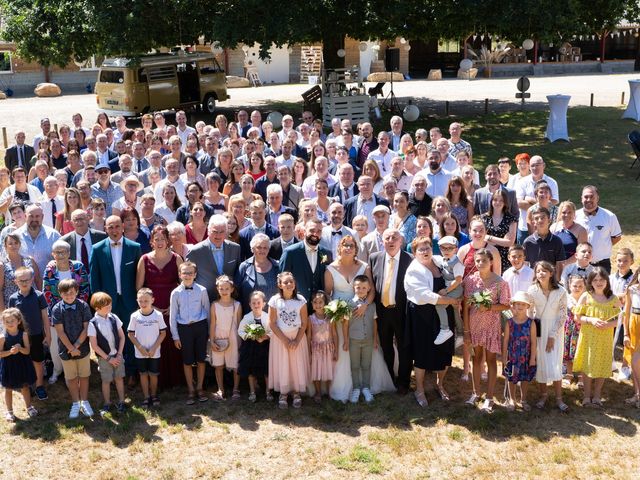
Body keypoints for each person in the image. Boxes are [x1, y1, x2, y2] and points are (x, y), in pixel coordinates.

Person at [404, 237, 462, 407]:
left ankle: (440, 384)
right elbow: (425, 296)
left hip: (443, 314)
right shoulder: (414, 270)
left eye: (427, 247)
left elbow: (455, 273)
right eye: (420, 249)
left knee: (444, 351)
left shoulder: (438, 261)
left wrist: (455, 292)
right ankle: (420, 390)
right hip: (423, 315)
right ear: (414, 253)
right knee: (423, 352)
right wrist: (451, 301)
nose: (425, 251)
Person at [90, 215, 142, 377]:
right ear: (105, 228)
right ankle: (111, 372)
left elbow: (140, 276)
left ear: (123, 227)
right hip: (107, 303)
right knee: (110, 337)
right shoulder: (97, 249)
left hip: (129, 301)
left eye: (117, 226)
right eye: (110, 227)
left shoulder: (135, 247)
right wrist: (98, 304)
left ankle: (132, 372)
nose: (114, 230)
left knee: (130, 335)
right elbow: (94, 278)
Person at [462, 248, 510, 412]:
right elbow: (466, 307)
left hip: (491, 327)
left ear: (491, 262)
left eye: (483, 260)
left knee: (490, 360)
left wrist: (488, 306)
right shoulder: (470, 281)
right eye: (477, 261)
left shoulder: (500, 282)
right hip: (474, 326)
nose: (480, 263)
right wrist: (466, 331)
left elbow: (505, 304)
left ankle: (489, 397)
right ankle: (476, 393)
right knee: (476, 360)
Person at [135, 225, 183, 388]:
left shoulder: (177, 258)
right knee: (154, 340)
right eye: (157, 239)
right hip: (151, 308)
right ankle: (157, 381)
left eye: (163, 239)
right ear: (151, 242)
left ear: (168, 240)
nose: (160, 242)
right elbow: (139, 287)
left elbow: (184, 286)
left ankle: (175, 379)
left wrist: (174, 306)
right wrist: (150, 306)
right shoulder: (144, 259)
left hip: (172, 306)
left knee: (171, 339)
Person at [369, 229, 415, 394]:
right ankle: (389, 378)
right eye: (387, 238)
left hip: (401, 311)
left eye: (394, 238)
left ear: (401, 241)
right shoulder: (374, 258)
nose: (390, 241)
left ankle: (403, 382)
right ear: (382, 241)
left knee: (404, 347)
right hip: (382, 312)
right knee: (385, 346)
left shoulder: (410, 260)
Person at [573, 268, 621, 407]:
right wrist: (591, 320)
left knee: (602, 364)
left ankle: (597, 395)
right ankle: (587, 396)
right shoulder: (586, 296)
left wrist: (609, 324)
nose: (599, 282)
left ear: (607, 280)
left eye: (601, 279)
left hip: (605, 338)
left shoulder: (613, 298)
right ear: (590, 282)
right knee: (588, 364)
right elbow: (577, 317)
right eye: (595, 280)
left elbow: (621, 318)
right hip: (589, 337)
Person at [527, 261, 569, 412]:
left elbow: (563, 315)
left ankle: (559, 399)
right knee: (542, 365)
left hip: (555, 330)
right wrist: (531, 331)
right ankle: (543, 396)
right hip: (538, 330)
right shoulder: (532, 290)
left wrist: (552, 335)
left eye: (545, 271)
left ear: (551, 273)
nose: (541, 274)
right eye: (538, 271)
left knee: (555, 364)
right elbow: (529, 313)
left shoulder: (561, 291)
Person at [169, 261, 211, 404]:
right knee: (187, 361)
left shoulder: (202, 290)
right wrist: (175, 336)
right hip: (184, 329)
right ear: (180, 275)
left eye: (190, 273)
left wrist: (209, 332)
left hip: (200, 327)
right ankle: (191, 390)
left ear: (195, 274)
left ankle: (200, 388)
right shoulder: (175, 293)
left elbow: (207, 310)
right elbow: (173, 316)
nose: (187, 275)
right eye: (184, 273)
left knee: (201, 359)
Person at [51, 279, 93, 419]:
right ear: (60, 293)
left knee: (84, 375)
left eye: (71, 293)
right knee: (71, 377)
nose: (69, 296)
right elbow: (60, 332)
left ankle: (85, 401)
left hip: (83, 348)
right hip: (66, 349)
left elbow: (86, 328)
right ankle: (75, 403)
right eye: (65, 293)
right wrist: (71, 348)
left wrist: (76, 346)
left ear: (76, 292)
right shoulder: (57, 309)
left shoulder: (84, 306)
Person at [267, 272, 310, 409]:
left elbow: (304, 322)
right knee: (283, 364)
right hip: (280, 340)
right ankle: (283, 393)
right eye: (286, 282)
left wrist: (297, 340)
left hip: (297, 338)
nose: (289, 284)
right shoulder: (274, 301)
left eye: (291, 281)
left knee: (296, 365)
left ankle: (296, 392)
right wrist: (285, 340)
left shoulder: (301, 300)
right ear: (280, 285)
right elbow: (272, 323)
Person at [7, 267, 49, 401]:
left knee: (38, 361)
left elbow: (45, 317)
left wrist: (48, 335)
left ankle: (40, 386)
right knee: (24, 361)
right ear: (15, 281)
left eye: (27, 280)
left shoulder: (39, 296)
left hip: (36, 335)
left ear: (32, 280)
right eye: (21, 280)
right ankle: (27, 385)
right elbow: (11, 319)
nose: (24, 283)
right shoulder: (13, 299)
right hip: (21, 336)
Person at [186, 215, 242, 302]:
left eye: (222, 232)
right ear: (208, 231)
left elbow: (238, 275)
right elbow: (187, 276)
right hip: (203, 300)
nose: (218, 235)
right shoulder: (195, 251)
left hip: (229, 301)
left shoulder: (235, 248)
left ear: (226, 232)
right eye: (215, 232)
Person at [88, 292, 127, 415]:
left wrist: (119, 354)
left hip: (117, 356)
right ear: (97, 308)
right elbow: (94, 345)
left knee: (119, 378)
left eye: (110, 305)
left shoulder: (114, 318)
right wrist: (108, 358)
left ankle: (121, 401)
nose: (110, 308)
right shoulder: (92, 323)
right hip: (105, 359)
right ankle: (107, 403)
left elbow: (122, 337)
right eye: (107, 306)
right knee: (106, 380)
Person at [128, 288, 167, 408]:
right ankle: (146, 396)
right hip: (140, 352)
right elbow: (130, 334)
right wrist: (140, 348)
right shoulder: (134, 316)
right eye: (140, 301)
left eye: (146, 301)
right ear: (137, 301)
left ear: (152, 300)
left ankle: (154, 395)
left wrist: (154, 347)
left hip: (154, 352)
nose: (143, 304)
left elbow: (163, 333)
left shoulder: (158, 315)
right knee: (143, 374)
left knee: (153, 374)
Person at [279, 219, 331, 303]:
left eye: (319, 231)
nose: (315, 234)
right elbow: (282, 278)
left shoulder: (326, 253)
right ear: (304, 231)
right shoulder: (290, 252)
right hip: (296, 303)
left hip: (319, 307)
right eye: (312, 230)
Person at [0, 308, 38, 421]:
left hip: (22, 364)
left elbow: (27, 351)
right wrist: (10, 352)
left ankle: (29, 407)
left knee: (25, 387)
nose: (10, 323)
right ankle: (9, 412)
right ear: (3, 323)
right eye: (7, 321)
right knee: (8, 389)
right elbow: (0, 354)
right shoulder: (2, 337)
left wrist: (20, 348)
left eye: (12, 320)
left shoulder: (24, 334)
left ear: (19, 321)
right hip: (8, 365)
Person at [502, 291, 537, 411]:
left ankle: (523, 399)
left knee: (525, 379)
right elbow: (505, 340)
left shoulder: (531, 323)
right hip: (512, 356)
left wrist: (532, 358)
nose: (520, 306)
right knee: (511, 378)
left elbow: (533, 342)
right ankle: (512, 399)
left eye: (523, 304)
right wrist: (503, 357)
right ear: (514, 305)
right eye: (518, 304)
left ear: (528, 306)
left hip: (526, 356)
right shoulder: (509, 322)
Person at [574, 185, 622, 273]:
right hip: (580, 264)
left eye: (592, 197)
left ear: (597, 198)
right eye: (586, 197)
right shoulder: (575, 216)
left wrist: (602, 246)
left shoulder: (609, 216)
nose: (588, 199)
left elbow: (616, 237)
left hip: (602, 264)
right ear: (581, 198)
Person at [209, 275, 241, 401]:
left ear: (232, 289)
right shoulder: (214, 305)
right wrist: (212, 340)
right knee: (219, 365)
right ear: (217, 289)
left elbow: (239, 324)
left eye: (227, 288)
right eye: (221, 288)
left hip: (233, 336)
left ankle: (236, 389)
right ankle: (220, 389)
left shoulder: (237, 305)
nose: (224, 291)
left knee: (235, 364)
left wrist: (239, 340)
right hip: (218, 336)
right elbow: (212, 323)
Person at [348, 275, 379, 404]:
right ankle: (356, 389)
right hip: (354, 340)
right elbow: (345, 324)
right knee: (355, 365)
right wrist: (345, 340)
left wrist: (375, 339)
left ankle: (366, 388)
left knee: (366, 365)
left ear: (368, 289)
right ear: (354, 288)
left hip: (368, 340)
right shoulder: (349, 304)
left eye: (364, 288)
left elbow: (374, 322)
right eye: (358, 287)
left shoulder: (371, 305)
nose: (360, 290)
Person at [237, 291, 272, 403]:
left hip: (264, 347)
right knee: (251, 370)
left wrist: (265, 337)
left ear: (264, 304)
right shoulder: (247, 317)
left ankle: (268, 391)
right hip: (250, 348)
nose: (256, 305)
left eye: (258, 302)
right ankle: (252, 391)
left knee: (267, 370)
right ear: (250, 304)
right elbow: (240, 331)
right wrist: (249, 335)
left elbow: (273, 331)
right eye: (253, 303)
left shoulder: (267, 317)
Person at [433, 236, 464, 345]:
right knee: (456, 311)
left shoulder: (457, 263)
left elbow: (458, 281)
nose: (446, 251)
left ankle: (445, 329)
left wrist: (446, 291)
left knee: (440, 305)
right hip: (450, 289)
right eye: (443, 248)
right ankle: (460, 334)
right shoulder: (442, 259)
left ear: (456, 249)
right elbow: (433, 258)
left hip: (455, 289)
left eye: (450, 248)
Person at [307, 291, 336, 403]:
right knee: (316, 370)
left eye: (320, 302)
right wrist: (309, 352)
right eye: (315, 302)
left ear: (325, 303)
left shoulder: (330, 317)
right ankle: (318, 392)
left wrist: (336, 351)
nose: (318, 304)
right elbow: (309, 335)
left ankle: (329, 391)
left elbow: (334, 334)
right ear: (312, 304)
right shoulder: (311, 318)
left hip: (328, 347)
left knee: (328, 370)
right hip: (316, 349)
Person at [16, 204, 61, 277]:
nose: (34, 219)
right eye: (31, 216)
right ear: (25, 216)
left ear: (42, 217)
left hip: (49, 284)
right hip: (24, 284)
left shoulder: (54, 236)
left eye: (37, 216)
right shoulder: (15, 236)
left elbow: (62, 260)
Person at [482, 190, 517, 272]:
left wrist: (489, 237)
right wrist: (502, 241)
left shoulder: (511, 219)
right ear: (491, 201)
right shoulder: (484, 218)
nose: (498, 202)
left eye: (501, 200)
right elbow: (481, 238)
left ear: (505, 202)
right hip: (487, 255)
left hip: (504, 258)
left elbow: (509, 242)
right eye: (495, 200)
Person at [523, 206, 566, 273]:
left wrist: (557, 281)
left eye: (542, 217)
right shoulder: (528, 242)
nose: (540, 220)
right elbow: (525, 265)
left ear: (549, 220)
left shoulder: (557, 241)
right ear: (533, 222)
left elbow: (559, 264)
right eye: (536, 218)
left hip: (551, 280)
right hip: (534, 280)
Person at [564, 274, 587, 385]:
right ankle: (569, 374)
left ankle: (582, 376)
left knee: (582, 351)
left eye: (580, 286)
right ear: (569, 285)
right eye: (574, 286)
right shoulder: (567, 297)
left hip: (583, 329)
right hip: (569, 328)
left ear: (584, 286)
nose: (577, 288)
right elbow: (573, 309)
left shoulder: (587, 298)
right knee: (568, 351)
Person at [550, 200, 588, 266]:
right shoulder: (553, 227)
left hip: (572, 267)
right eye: (564, 212)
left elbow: (581, 252)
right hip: (554, 265)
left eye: (569, 212)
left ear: (574, 214)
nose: (566, 215)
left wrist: (565, 264)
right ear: (560, 214)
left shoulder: (581, 230)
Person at [623, 269, 640, 408]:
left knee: (636, 361)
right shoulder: (631, 290)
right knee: (635, 363)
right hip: (634, 326)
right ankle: (637, 394)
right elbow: (626, 313)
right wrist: (625, 334)